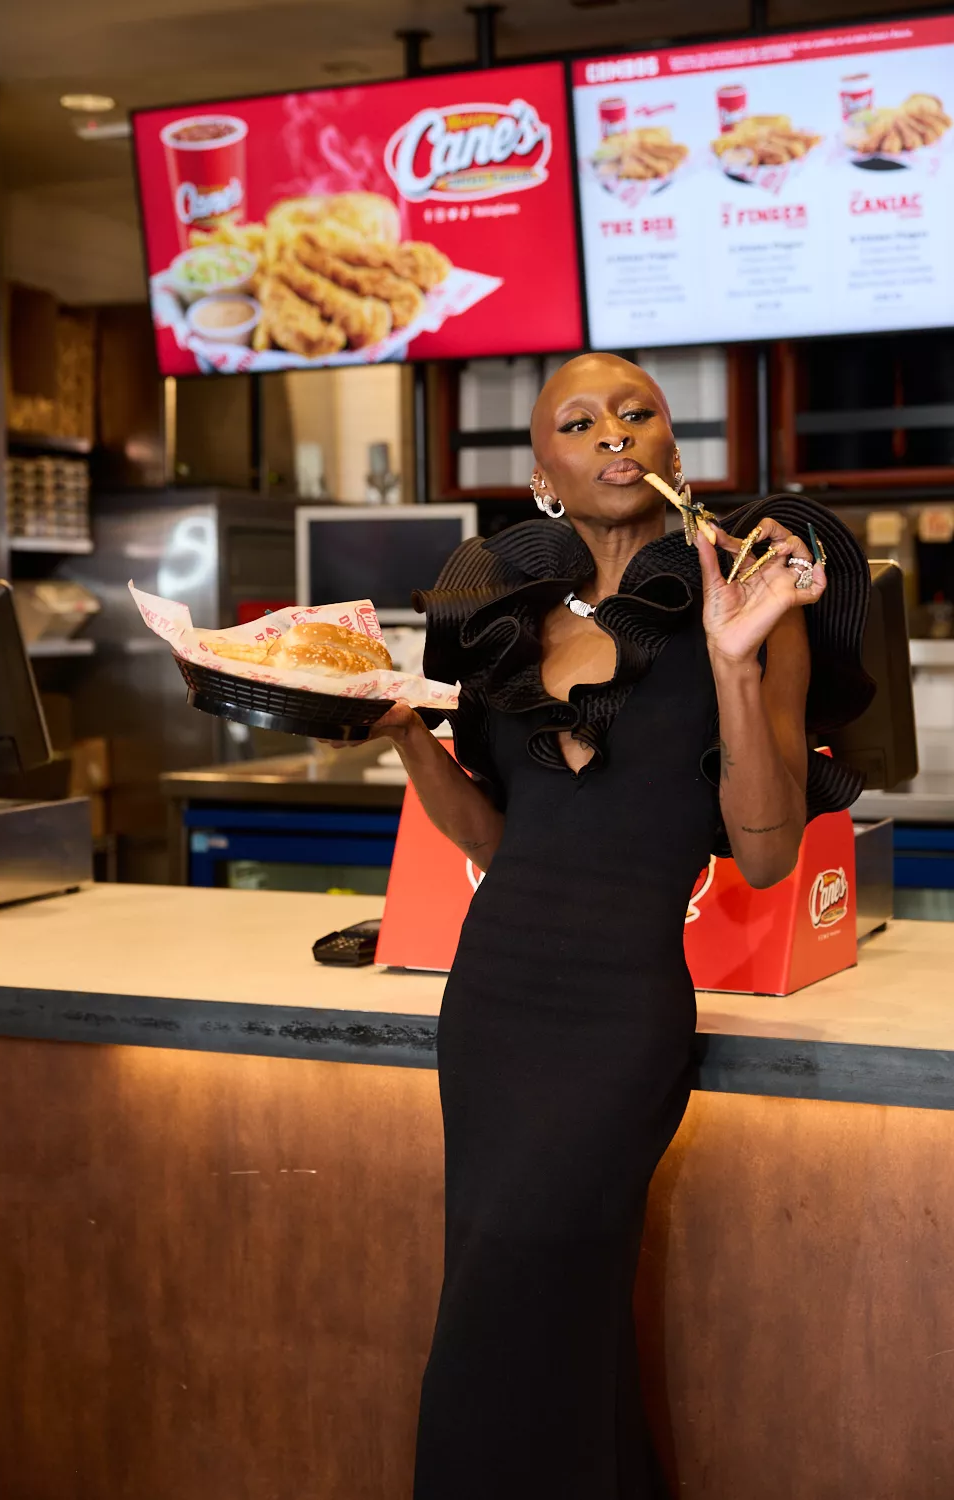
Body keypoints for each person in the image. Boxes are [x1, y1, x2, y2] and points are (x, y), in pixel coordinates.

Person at [362, 353, 872, 1499]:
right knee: (535, 1316)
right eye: (578, 421)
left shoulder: (746, 607)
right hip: (491, 1009)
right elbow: (495, 845)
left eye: (635, 413)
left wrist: (735, 667)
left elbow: (765, 851)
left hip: (618, 1016)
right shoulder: (502, 621)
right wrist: (403, 735)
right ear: (542, 472)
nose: (612, 433)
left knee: (517, 1294)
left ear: (673, 448)